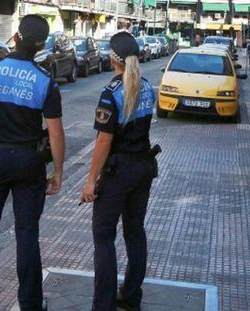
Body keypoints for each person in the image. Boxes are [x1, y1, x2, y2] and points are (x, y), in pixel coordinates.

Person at [0, 14, 65, 311]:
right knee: (27, 233)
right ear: (41, 45)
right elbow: (55, 133)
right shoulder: (45, 81)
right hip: (29, 163)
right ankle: (30, 304)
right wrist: (57, 171)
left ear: (15, 38)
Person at [80, 32, 158, 311]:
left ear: (114, 58)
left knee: (103, 235)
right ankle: (131, 296)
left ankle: (103, 304)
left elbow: (104, 141)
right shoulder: (148, 87)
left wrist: (90, 181)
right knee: (135, 232)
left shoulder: (111, 93)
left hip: (118, 173)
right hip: (144, 168)